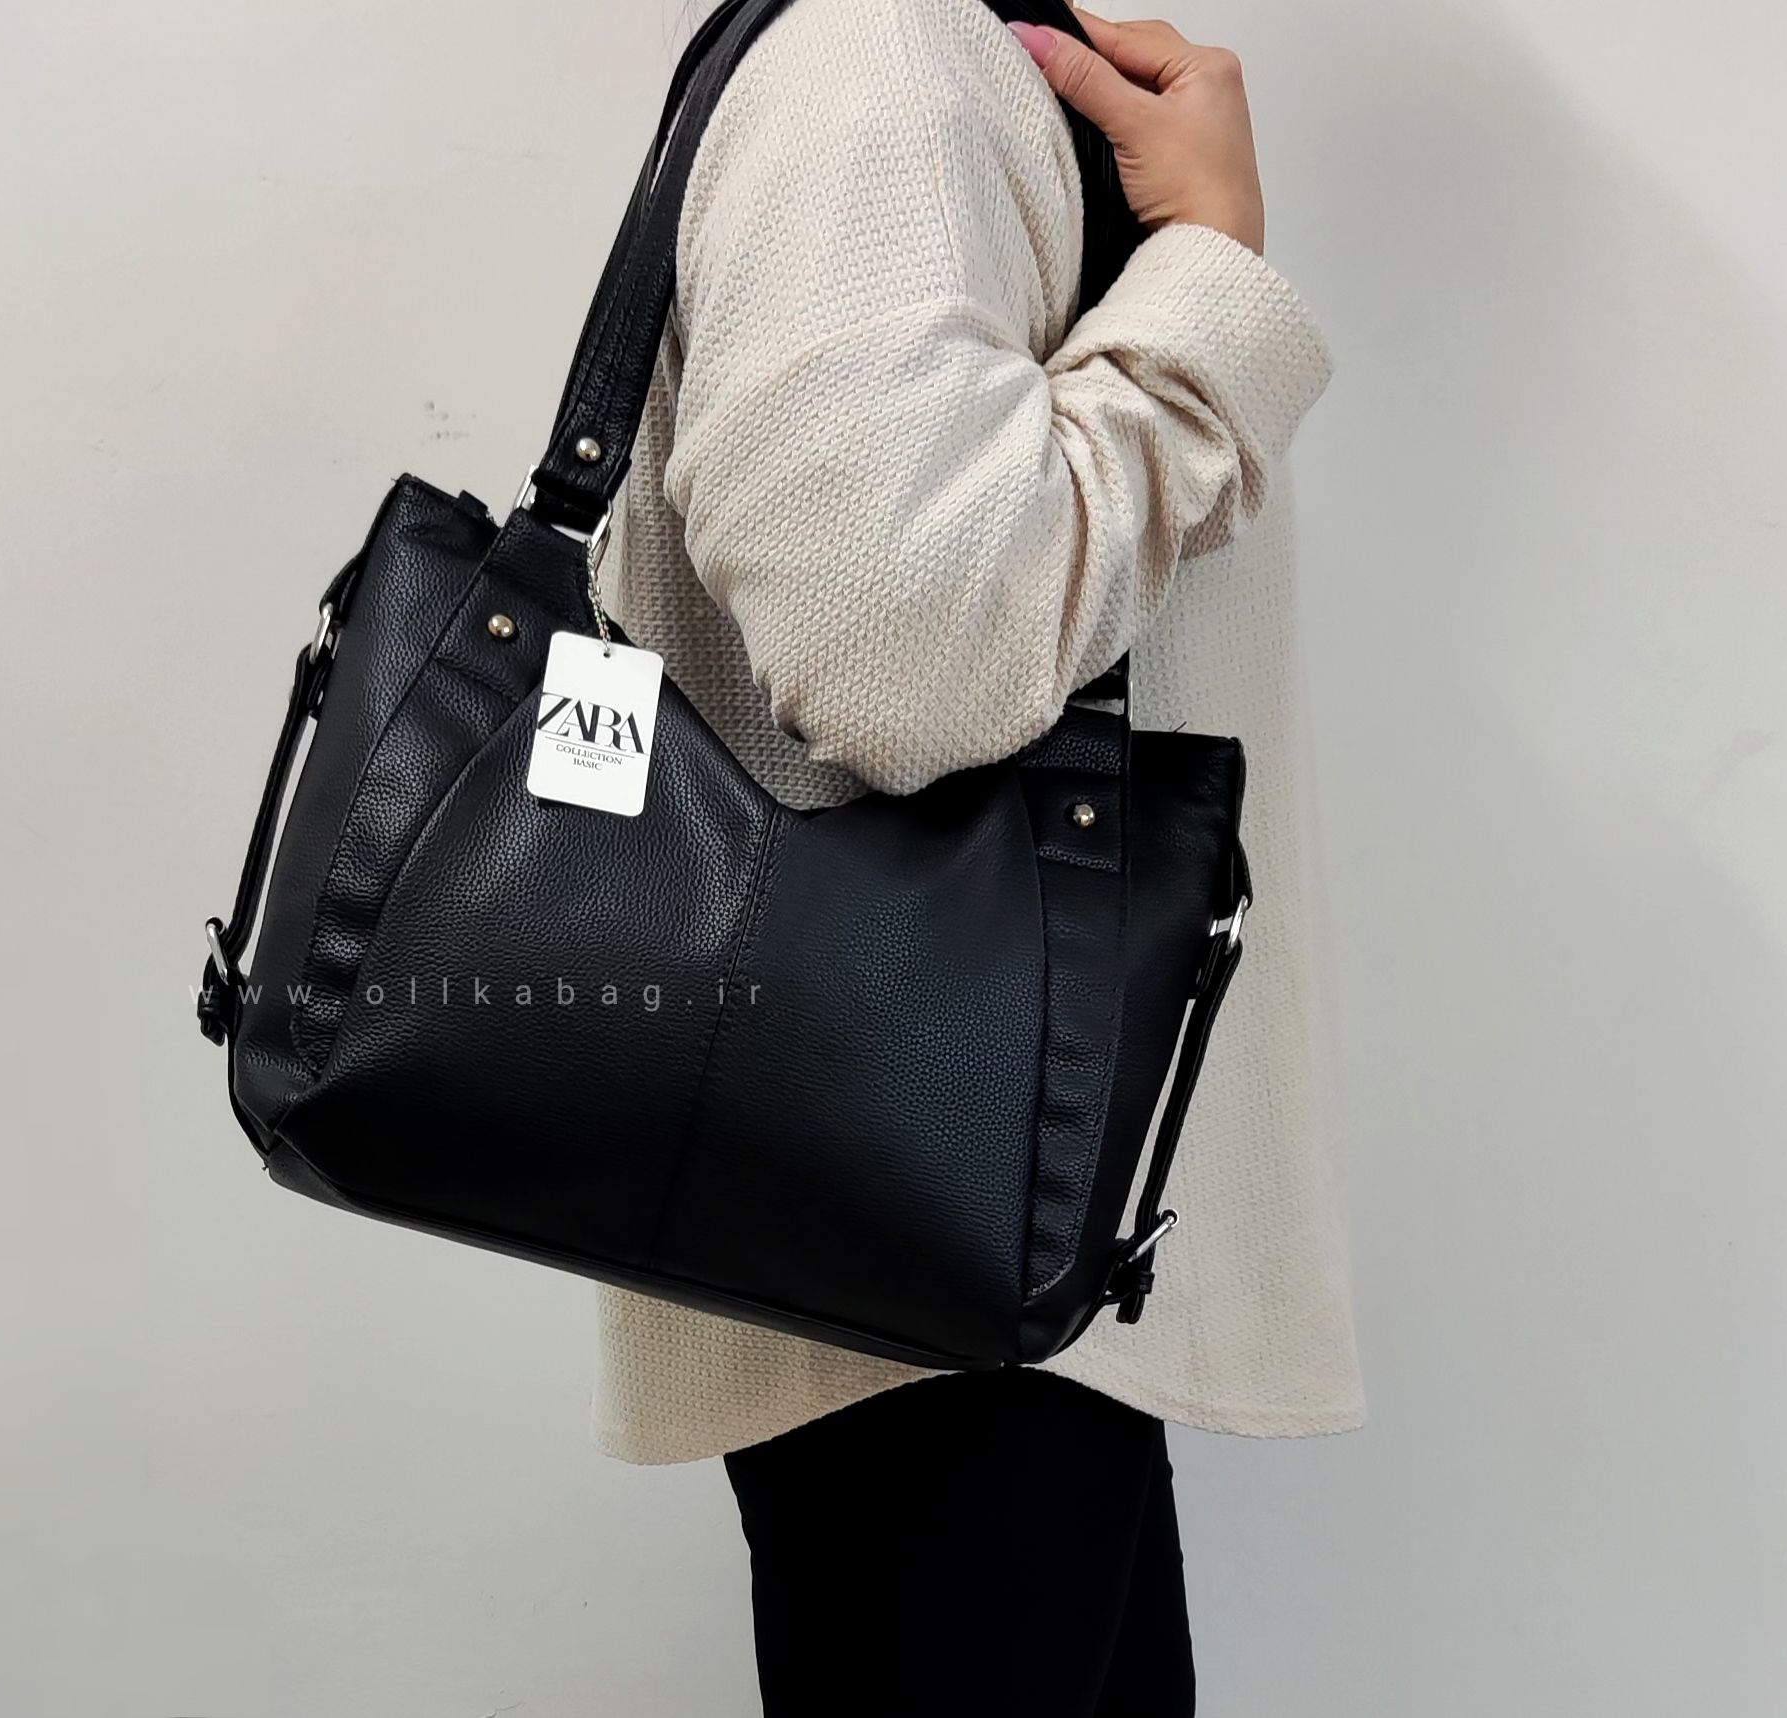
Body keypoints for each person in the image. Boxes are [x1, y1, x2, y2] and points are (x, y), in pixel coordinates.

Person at [596, 2, 1364, 1711]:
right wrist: (1207, 285)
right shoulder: (882, 65)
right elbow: (903, 652)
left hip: (992, 1231)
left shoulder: (943, 58)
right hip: (940, 1241)